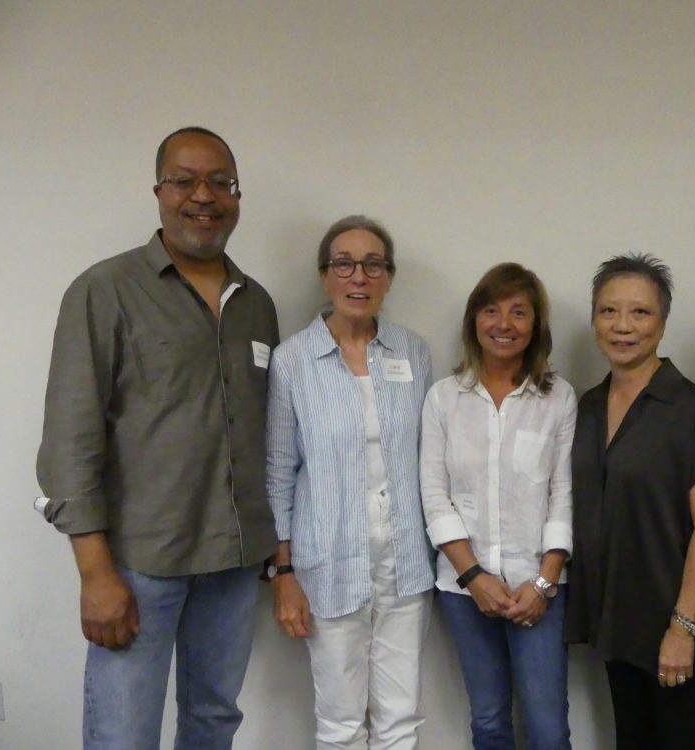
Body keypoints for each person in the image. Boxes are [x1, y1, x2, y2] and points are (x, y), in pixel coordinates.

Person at [36, 126, 279, 750]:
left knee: (214, 721)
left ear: (236, 196)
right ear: (158, 191)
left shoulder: (256, 304)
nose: (204, 195)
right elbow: (69, 438)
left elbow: (265, 429)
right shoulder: (106, 290)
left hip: (233, 559)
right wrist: (95, 573)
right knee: (124, 732)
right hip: (141, 563)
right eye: (185, 180)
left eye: (220, 183)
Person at [265, 215, 434, 750]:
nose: (358, 277)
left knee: (400, 719)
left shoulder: (413, 353)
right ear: (325, 276)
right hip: (329, 565)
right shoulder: (293, 360)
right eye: (344, 264)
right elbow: (278, 470)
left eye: (372, 265)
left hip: (406, 567)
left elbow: (429, 458)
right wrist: (282, 572)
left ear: (388, 277)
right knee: (340, 723)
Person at [564, 254, 695, 749]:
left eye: (640, 313)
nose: (622, 327)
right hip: (621, 623)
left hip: (679, 624)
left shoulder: (687, 407)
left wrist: (683, 629)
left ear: (662, 323)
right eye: (608, 311)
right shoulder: (589, 406)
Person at [420, 262, 576, 750]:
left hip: (539, 589)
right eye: (491, 310)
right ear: (473, 321)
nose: (503, 324)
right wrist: (474, 577)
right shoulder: (444, 398)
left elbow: (563, 495)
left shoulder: (559, 397)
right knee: (488, 722)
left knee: (548, 726)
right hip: (465, 590)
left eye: (518, 312)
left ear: (536, 325)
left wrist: (544, 582)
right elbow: (433, 492)